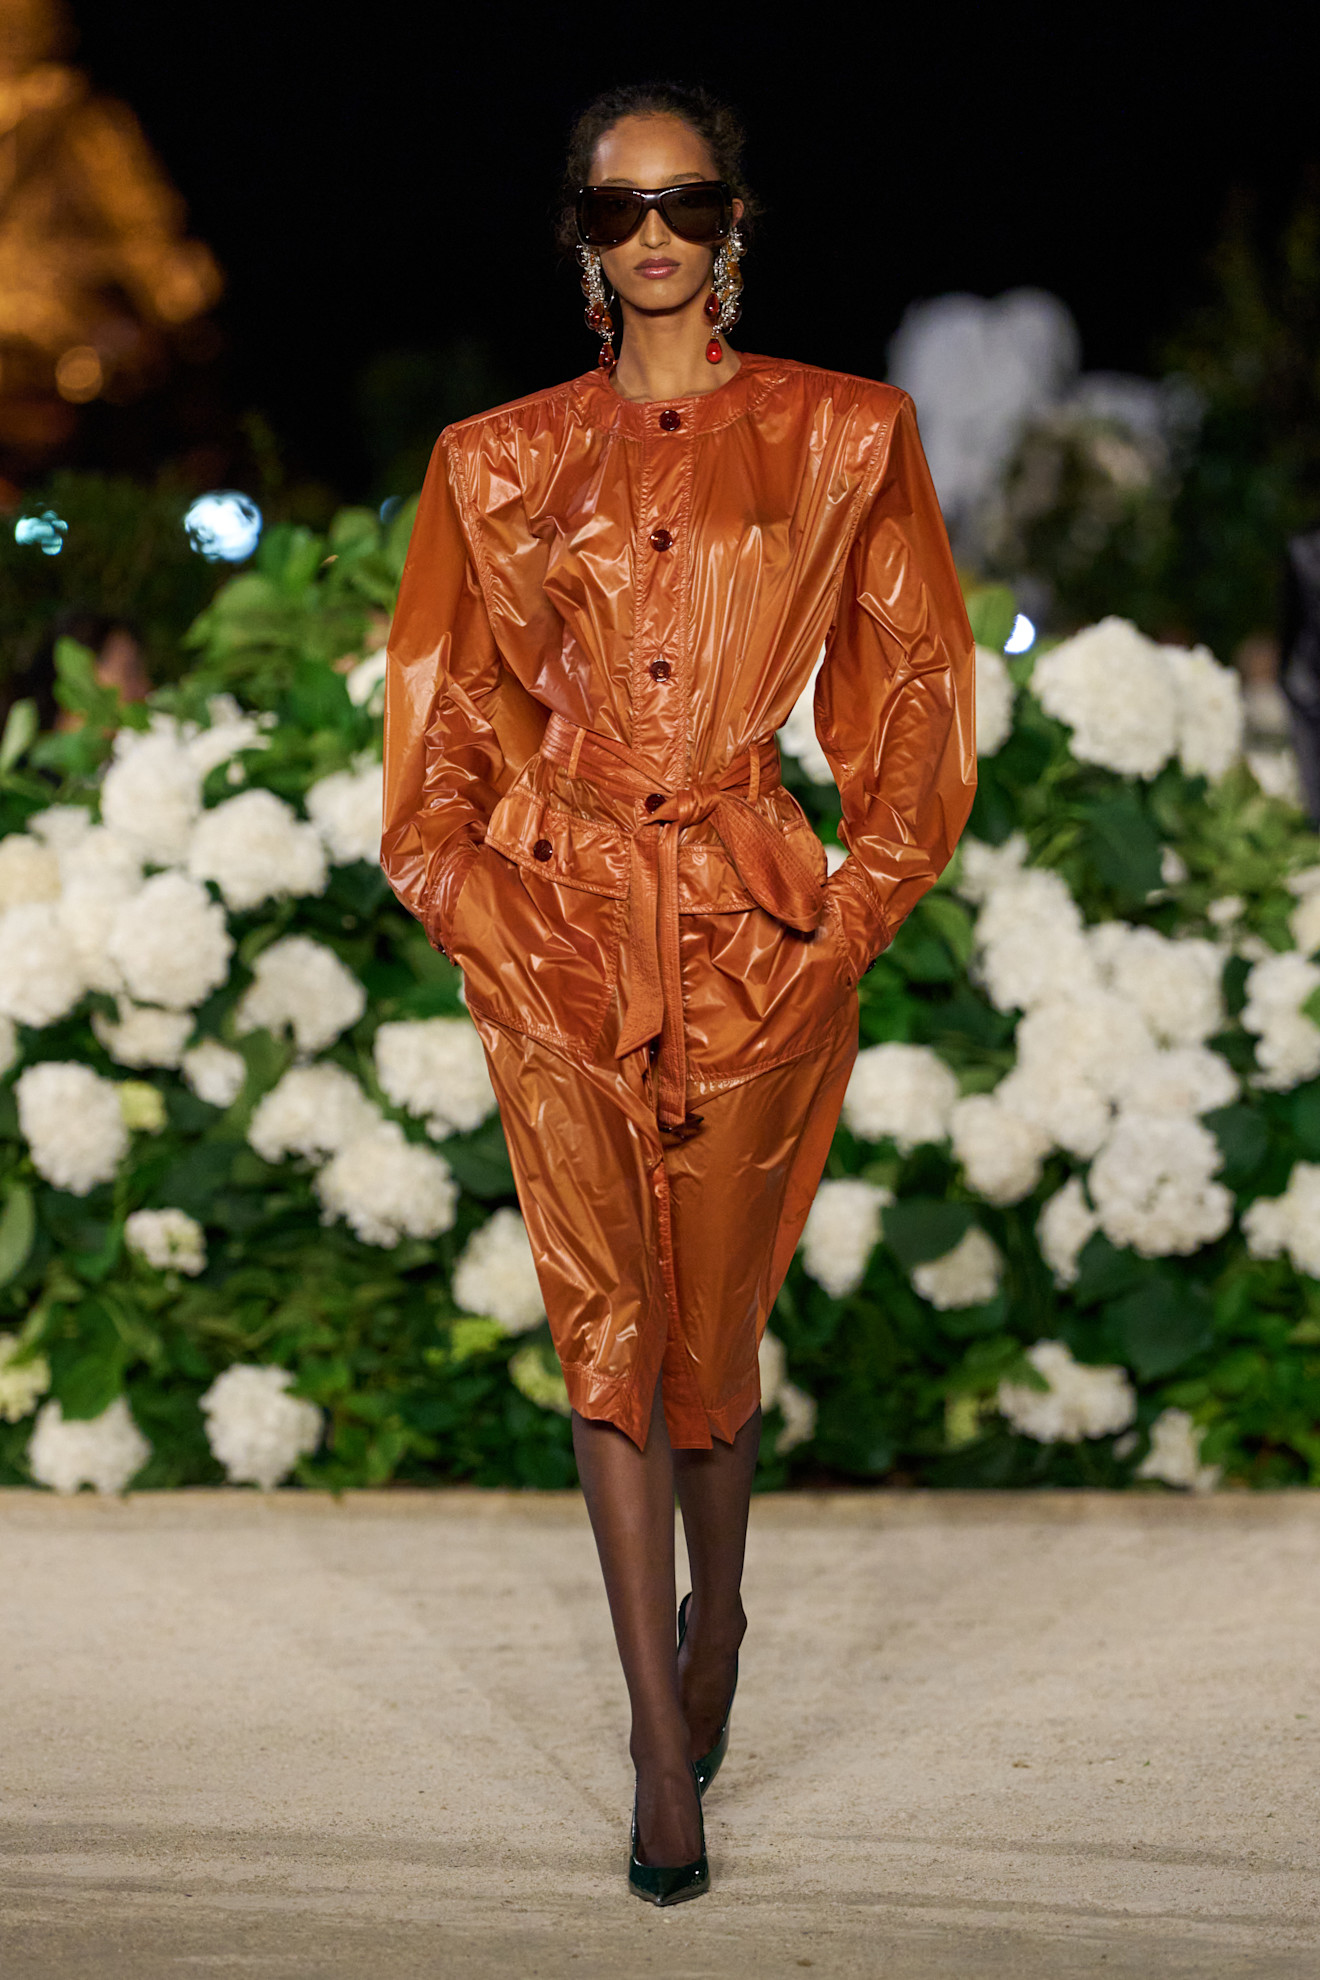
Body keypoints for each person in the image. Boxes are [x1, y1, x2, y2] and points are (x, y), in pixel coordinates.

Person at [380, 82, 976, 1904]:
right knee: (604, 1325)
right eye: (620, 208)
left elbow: (920, 705)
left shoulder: (846, 437)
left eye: (687, 203)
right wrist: (473, 901)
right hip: (555, 925)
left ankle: (723, 1629)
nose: (654, 235)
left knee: (714, 1342)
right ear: (579, 235)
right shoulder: (492, 462)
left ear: (735, 224)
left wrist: (845, 923)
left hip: (748, 924)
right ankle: (660, 1742)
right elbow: (442, 713)